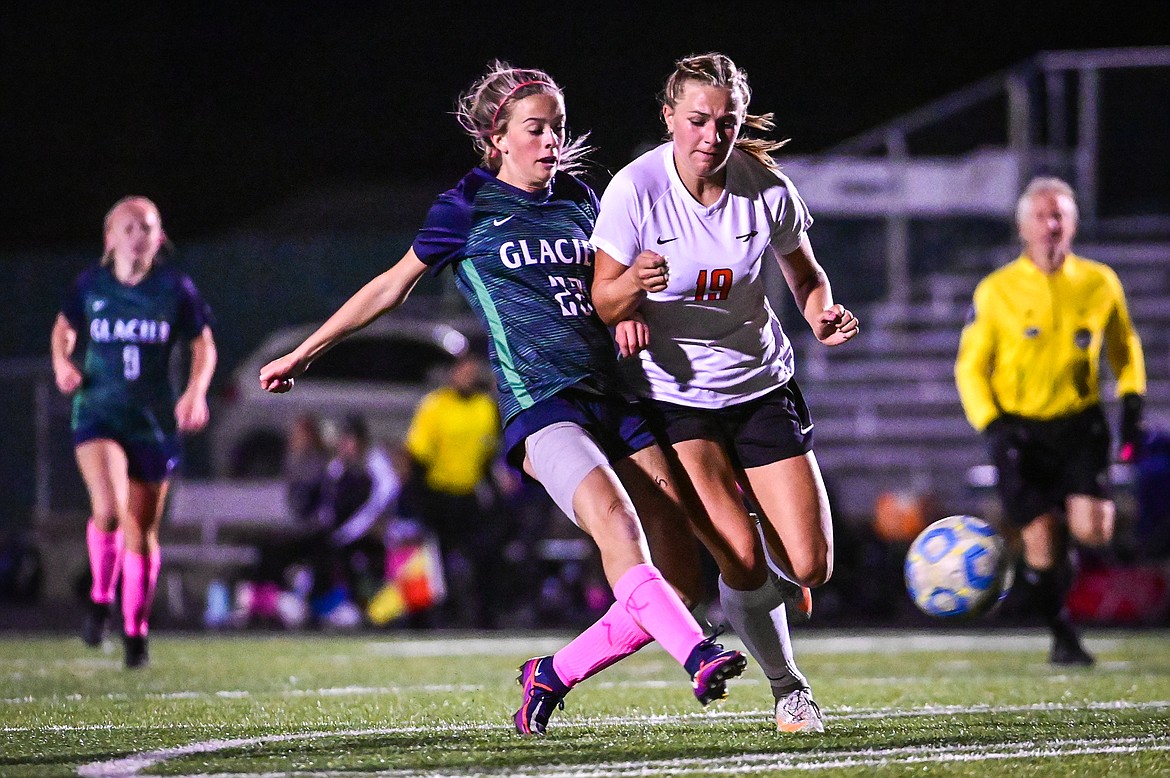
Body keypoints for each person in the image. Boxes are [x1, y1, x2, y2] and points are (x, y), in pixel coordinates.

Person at [258, 60, 746, 735]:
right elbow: (390, 286)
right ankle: (696, 655)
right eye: (536, 129)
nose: (551, 142)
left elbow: (616, 281)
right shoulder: (467, 206)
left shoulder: (582, 199)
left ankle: (554, 673)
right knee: (618, 527)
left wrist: (631, 301)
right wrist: (305, 351)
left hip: (615, 396)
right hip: (541, 404)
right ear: (498, 137)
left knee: (681, 576)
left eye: (558, 129)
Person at [590, 52, 860, 733]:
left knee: (811, 565)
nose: (712, 136)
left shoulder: (765, 186)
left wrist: (822, 313)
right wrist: (632, 293)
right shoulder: (635, 189)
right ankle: (789, 689)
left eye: (727, 122)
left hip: (761, 386)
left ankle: (762, 577)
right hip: (677, 400)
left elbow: (805, 276)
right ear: (669, 118)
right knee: (738, 560)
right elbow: (602, 296)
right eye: (698, 120)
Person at [955, 175, 1146, 666]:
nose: (1050, 225)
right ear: (1023, 227)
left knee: (1095, 531)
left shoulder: (1098, 281)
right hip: (1021, 429)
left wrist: (1132, 402)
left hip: (1081, 424)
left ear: (1074, 223)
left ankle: (1059, 560)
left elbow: (1125, 348)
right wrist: (992, 425)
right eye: (1040, 216)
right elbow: (970, 367)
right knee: (1040, 542)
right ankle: (1062, 635)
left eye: (1059, 214)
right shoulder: (998, 290)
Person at [50, 196, 217, 668]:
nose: (137, 235)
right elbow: (64, 327)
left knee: (141, 532)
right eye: (128, 227)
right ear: (110, 237)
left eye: (146, 227)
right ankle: (101, 596)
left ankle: (135, 633)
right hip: (98, 413)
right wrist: (63, 362)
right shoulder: (92, 284)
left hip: (152, 422)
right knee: (109, 509)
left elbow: (203, 344)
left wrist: (196, 391)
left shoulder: (175, 288)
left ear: (159, 237)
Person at [403, 354, 505, 627]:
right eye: (464, 371)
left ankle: (484, 615)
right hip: (438, 493)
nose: (469, 376)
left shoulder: (485, 406)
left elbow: (489, 453)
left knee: (483, 555)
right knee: (438, 560)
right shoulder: (435, 405)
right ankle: (438, 615)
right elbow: (418, 454)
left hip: (470, 494)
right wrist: (418, 498)